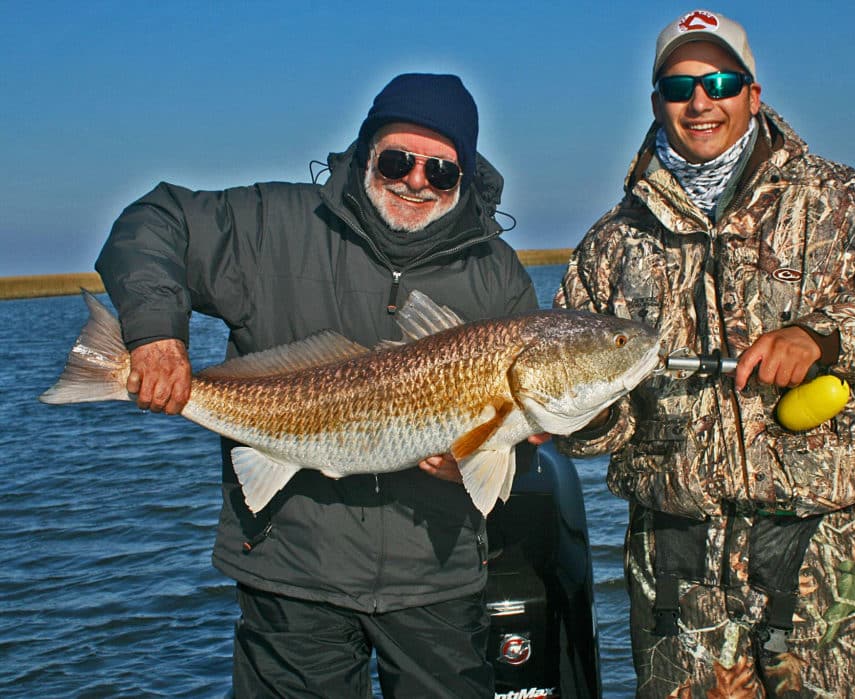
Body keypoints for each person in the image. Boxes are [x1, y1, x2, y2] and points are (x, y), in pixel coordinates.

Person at [554, 9, 855, 698]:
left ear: (754, 93)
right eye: (680, 87)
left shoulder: (847, 203)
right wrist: (579, 415)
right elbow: (595, 431)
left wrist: (822, 337)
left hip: (828, 555)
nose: (700, 101)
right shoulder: (610, 245)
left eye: (719, 80)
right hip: (678, 565)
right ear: (657, 103)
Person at [96, 73, 541, 698]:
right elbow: (155, 219)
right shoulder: (271, 224)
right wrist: (153, 333)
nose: (416, 181)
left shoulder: (496, 276)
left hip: (435, 579)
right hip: (292, 572)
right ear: (365, 151)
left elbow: (530, 428)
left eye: (441, 172)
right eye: (397, 160)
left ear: (463, 178)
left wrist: (492, 452)